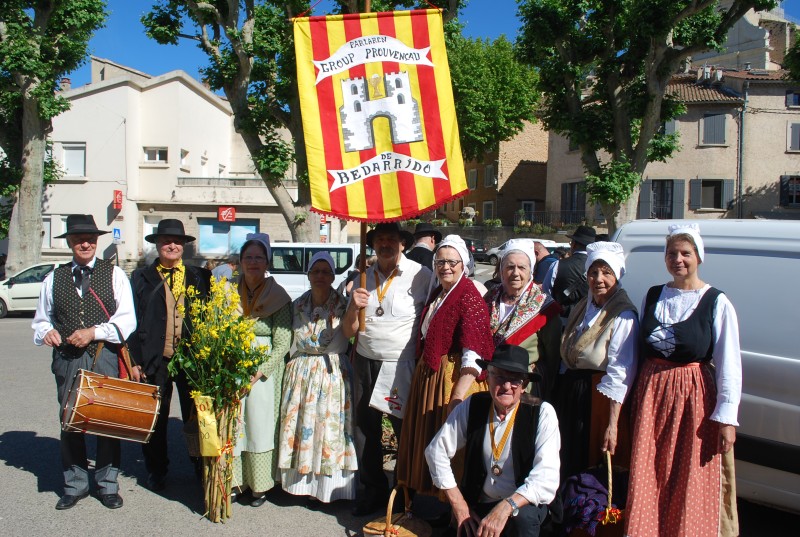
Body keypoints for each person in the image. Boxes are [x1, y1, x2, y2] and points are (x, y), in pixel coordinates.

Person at [625, 223, 742, 537]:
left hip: (694, 399)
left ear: (698, 256)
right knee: (650, 471)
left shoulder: (716, 302)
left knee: (688, 474)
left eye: (685, 253)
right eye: (672, 253)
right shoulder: (653, 296)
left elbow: (730, 364)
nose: (678, 259)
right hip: (652, 396)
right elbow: (635, 353)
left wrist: (727, 419)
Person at [32, 214, 137, 510]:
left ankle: (107, 485)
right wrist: (48, 332)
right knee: (70, 422)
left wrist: (93, 331)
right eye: (79, 239)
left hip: (103, 354)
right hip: (67, 358)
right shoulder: (53, 277)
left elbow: (127, 319)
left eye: (90, 238)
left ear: (97, 241)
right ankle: (74, 484)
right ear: (69, 242)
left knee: (106, 421)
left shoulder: (115, 274)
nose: (85, 243)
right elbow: (41, 321)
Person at [343, 222, 434, 516]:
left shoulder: (421, 276)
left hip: (401, 364)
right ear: (372, 245)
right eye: (379, 239)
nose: (385, 244)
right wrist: (351, 306)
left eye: (391, 239)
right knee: (365, 430)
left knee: (402, 430)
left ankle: (406, 492)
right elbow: (347, 332)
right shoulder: (362, 277)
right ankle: (374, 491)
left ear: (402, 243)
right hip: (365, 361)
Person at [425, 344, 560, 537]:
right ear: (488, 378)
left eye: (514, 379)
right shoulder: (473, 405)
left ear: (523, 385)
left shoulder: (543, 413)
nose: (506, 386)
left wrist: (506, 506)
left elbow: (546, 477)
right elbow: (435, 451)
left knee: (523, 519)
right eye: (500, 377)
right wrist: (459, 505)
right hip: (481, 503)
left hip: (522, 505)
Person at [395, 235, 494, 497]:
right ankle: (436, 501)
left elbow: (474, 350)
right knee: (430, 438)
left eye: (452, 261)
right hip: (430, 376)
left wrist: (459, 394)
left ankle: (455, 512)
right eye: (440, 261)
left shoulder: (469, 295)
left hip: (453, 378)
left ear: (464, 264)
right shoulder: (440, 293)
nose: (445, 267)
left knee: (451, 445)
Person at [129, 218, 212, 491]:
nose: (172, 246)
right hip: (156, 357)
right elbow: (132, 321)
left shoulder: (201, 276)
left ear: (184, 247)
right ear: (157, 245)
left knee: (194, 418)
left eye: (177, 242)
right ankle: (157, 469)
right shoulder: (140, 276)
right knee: (156, 418)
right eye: (166, 241)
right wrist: (135, 360)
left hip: (192, 359)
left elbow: (211, 316)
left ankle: (199, 467)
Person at [554, 241, 639, 479]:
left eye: (606, 272)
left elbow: (621, 371)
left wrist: (612, 424)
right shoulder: (583, 306)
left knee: (589, 461)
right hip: (573, 393)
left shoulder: (623, 314)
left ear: (618, 274)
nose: (598, 279)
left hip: (598, 398)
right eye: (593, 272)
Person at [278, 251, 358, 503]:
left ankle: (327, 489)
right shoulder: (298, 304)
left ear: (334, 276)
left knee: (328, 429)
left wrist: (355, 305)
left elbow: (349, 331)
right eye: (316, 271)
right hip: (301, 371)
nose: (320, 276)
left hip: (331, 370)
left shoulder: (343, 305)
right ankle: (302, 486)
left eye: (326, 271)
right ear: (309, 274)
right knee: (304, 427)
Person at [232, 232, 292, 507]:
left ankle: (259, 485)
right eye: (248, 257)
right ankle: (234, 481)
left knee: (258, 425)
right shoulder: (229, 291)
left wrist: (259, 371)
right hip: (232, 364)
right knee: (235, 425)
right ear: (240, 261)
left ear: (267, 262)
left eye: (259, 257)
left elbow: (282, 342)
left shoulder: (278, 296)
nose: (253, 262)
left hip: (263, 370)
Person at [484, 239, 561, 401]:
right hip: (490, 380)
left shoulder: (543, 306)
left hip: (524, 385)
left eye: (521, 267)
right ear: (501, 270)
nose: (515, 273)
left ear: (530, 271)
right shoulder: (490, 296)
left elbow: (552, 356)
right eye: (510, 267)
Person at [543, 225, 596, 322]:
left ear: (574, 244)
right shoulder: (598, 268)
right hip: (588, 321)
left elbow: (546, 294)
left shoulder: (557, 265)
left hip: (561, 320)